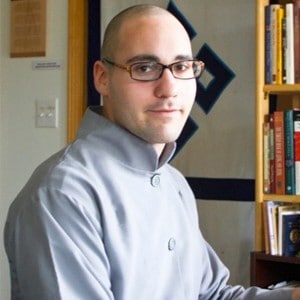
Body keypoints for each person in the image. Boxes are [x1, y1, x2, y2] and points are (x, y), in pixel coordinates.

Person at [4, 4, 300, 300]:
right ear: (102, 78)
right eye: (145, 68)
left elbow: (211, 295)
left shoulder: (173, 183)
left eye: (182, 67)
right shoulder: (64, 196)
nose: (169, 88)